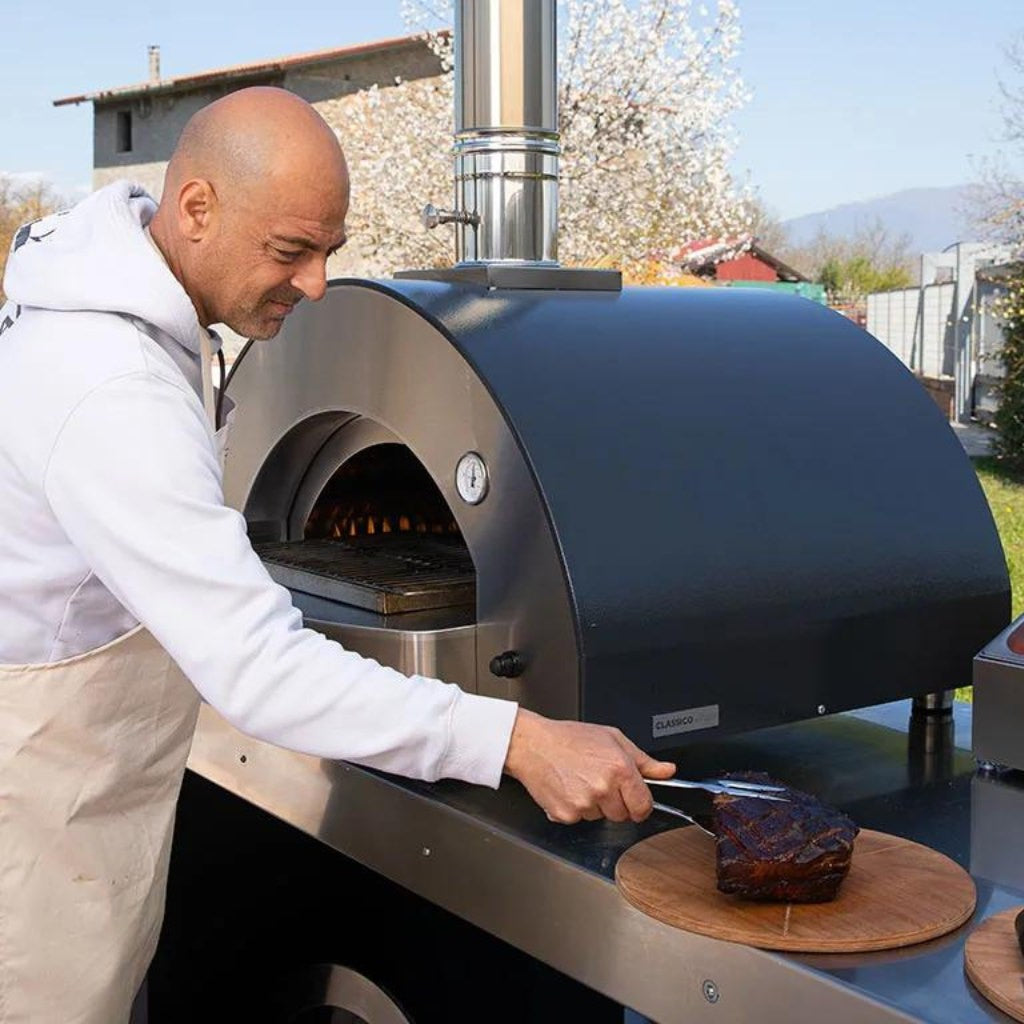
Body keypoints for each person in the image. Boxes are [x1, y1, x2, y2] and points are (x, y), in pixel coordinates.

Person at [0, 86, 675, 1023]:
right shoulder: (112, 386)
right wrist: (516, 740)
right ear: (196, 209)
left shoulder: (136, 329)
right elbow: (258, 670)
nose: (316, 285)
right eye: (290, 251)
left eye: (330, 252)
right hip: (28, 840)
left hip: (76, 811)